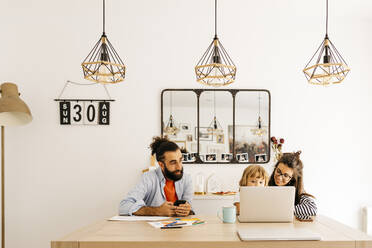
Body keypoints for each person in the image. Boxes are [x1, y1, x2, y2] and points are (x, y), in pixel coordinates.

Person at [119, 137, 193, 216]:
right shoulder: (148, 178)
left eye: (180, 160)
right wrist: (156, 211)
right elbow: (124, 207)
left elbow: (191, 211)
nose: (179, 167)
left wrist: (188, 211)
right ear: (161, 165)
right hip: (152, 227)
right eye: (173, 162)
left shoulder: (186, 179)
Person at [268, 151, 317, 220]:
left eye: (286, 175)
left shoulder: (299, 195)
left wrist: (281, 210)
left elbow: (312, 209)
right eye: (278, 171)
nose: (279, 177)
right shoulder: (266, 188)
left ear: (293, 179)